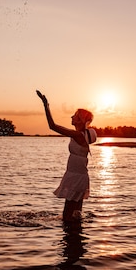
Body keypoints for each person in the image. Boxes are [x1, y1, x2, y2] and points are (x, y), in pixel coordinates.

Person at [36, 90, 97, 222]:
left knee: (67, 216)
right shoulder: (82, 135)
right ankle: (76, 238)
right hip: (78, 176)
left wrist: (46, 106)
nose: (71, 117)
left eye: (74, 116)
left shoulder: (79, 135)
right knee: (76, 215)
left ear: (80, 121)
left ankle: (70, 238)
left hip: (76, 177)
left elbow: (52, 126)